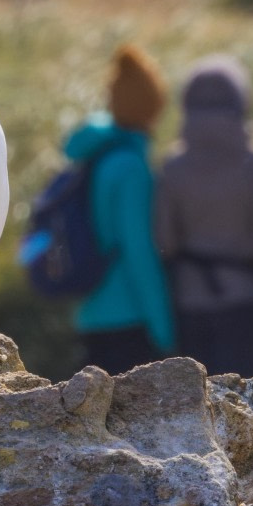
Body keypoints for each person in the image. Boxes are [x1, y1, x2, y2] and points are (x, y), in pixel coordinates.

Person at [155, 56, 253, 377]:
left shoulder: (173, 167)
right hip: (246, 297)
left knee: (197, 401)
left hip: (189, 297)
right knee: (241, 404)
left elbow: (165, 242)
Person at [62, 44, 175, 375]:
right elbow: (138, 249)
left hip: (90, 308)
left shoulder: (95, 154)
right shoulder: (131, 167)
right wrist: (164, 328)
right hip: (127, 316)